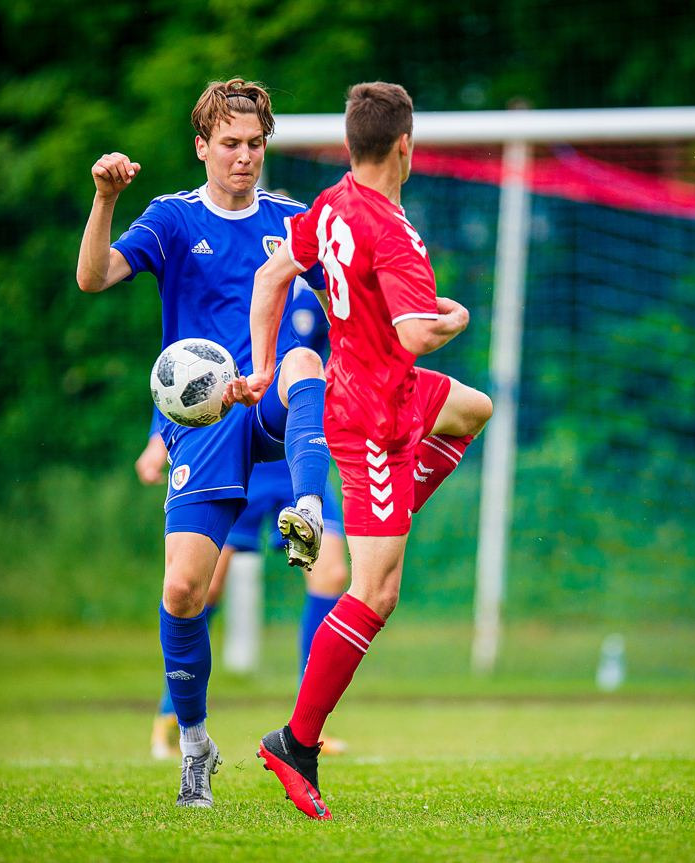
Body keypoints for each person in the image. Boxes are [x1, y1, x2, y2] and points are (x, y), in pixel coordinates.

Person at [233, 81, 494, 819]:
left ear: (351, 145)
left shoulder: (332, 204)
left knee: (474, 409)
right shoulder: (396, 232)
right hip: (373, 417)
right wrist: (455, 317)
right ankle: (296, 741)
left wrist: (260, 366)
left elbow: (270, 274)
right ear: (405, 145)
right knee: (375, 592)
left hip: (387, 391)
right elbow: (417, 333)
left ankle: (387, 511)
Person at [76, 78, 334, 808]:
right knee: (185, 590)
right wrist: (104, 198)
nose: (244, 156)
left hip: (271, 398)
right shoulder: (171, 218)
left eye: (255, 143)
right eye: (230, 144)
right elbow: (93, 278)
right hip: (205, 421)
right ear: (202, 147)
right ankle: (194, 744)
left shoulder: (292, 220)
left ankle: (309, 507)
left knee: (303, 361)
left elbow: (347, 296)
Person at [138, 284, 350, 761]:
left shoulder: (318, 285)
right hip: (233, 448)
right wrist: (158, 436)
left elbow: (338, 356)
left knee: (332, 574)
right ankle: (171, 713)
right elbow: (186, 367)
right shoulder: (229, 283)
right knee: (201, 587)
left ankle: (309, 723)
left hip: (292, 450)